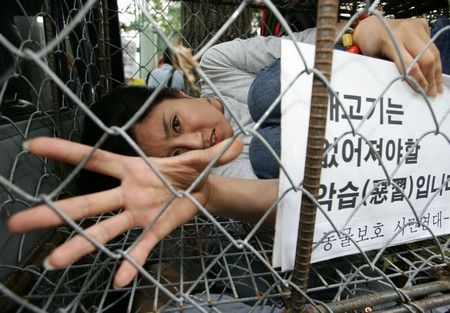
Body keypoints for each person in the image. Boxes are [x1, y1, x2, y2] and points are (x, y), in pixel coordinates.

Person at [7, 16, 448, 291]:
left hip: (416, 87)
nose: (197, 144)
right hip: (405, 176)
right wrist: (211, 194)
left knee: (264, 92)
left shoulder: (215, 64)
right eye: (174, 156)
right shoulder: (215, 180)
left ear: (173, 95)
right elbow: (311, 204)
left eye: (176, 124)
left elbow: (317, 45)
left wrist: (372, 30)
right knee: (265, 153)